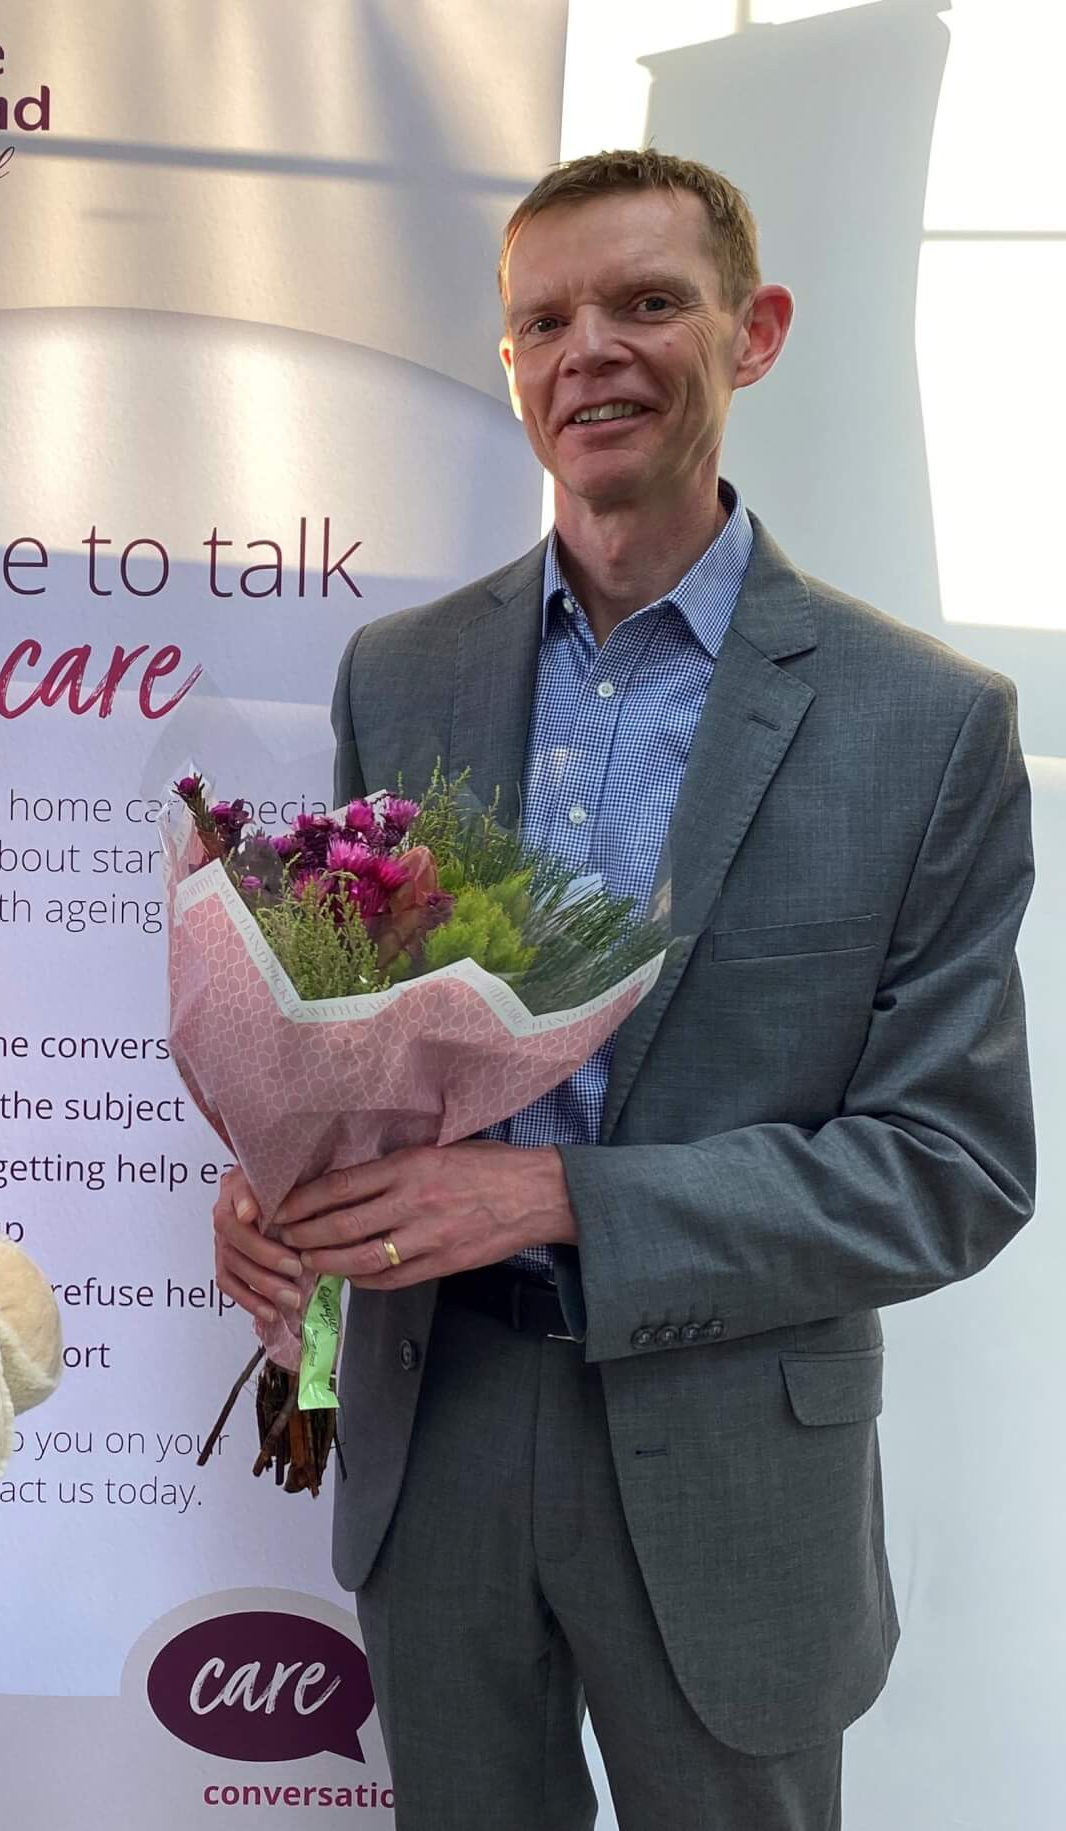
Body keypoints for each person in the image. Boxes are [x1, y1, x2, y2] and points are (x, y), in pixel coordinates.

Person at [211, 150, 1036, 1830]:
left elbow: (955, 1169)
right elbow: (357, 1049)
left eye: (648, 301)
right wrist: (281, 1199)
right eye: (546, 318)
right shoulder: (404, 674)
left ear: (757, 332)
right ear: (507, 363)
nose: (591, 348)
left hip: (730, 1452)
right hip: (435, 1432)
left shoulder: (923, 726)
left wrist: (562, 1199)